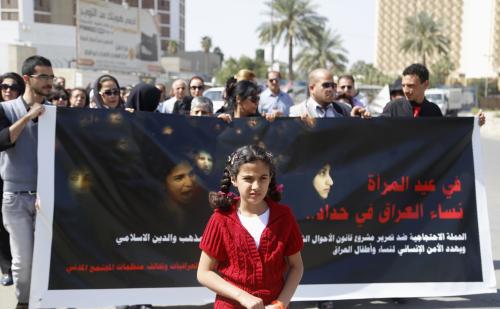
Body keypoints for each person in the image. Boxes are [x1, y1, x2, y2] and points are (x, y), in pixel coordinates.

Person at [197, 145, 304, 309]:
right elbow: (204, 273)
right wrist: (242, 296)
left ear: (270, 178)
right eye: (248, 179)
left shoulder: (284, 217)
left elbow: (297, 267)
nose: (256, 186)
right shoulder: (220, 219)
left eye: (263, 178)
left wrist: (281, 303)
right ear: (234, 179)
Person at [0, 55, 50, 309]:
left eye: (51, 77)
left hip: (46, 198)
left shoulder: (53, 112)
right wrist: (28, 117)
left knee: (47, 259)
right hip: (15, 197)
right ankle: (23, 302)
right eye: (44, 77)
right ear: (28, 79)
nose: (49, 82)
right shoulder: (5, 110)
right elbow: (2, 140)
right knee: (23, 260)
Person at [382, 63, 486, 126]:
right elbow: (377, 130)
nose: (405, 90)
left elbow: (449, 135)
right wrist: (366, 120)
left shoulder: (434, 111)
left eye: (410, 86)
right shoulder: (393, 108)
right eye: (403, 85)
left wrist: (475, 124)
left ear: (425, 84)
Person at [289, 68, 370, 119]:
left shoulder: (345, 109)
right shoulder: (297, 112)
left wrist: (359, 121)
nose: (331, 89)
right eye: (326, 85)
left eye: (333, 85)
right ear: (312, 88)